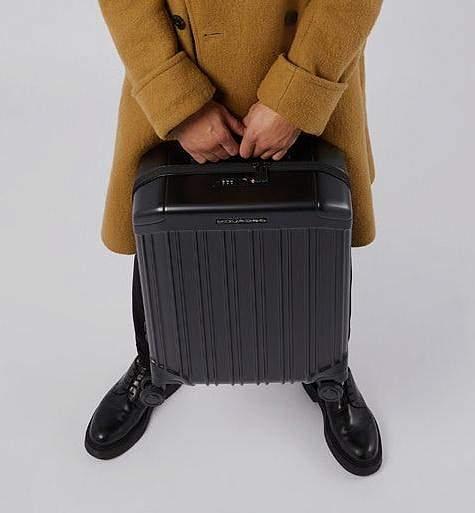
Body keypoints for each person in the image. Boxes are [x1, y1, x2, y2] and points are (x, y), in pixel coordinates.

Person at [85, 0, 384, 475]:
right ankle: (157, 363)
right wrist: (176, 97)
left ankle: (328, 371)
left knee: (317, 233)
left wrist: (296, 94)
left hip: (309, 60)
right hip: (183, 64)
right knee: (162, 235)